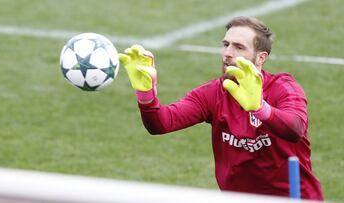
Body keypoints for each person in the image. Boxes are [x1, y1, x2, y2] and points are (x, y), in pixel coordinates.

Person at [119, 16, 323, 200]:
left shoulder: (283, 87)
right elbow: (161, 123)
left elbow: (295, 128)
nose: (227, 53)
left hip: (294, 198)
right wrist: (146, 94)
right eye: (225, 44)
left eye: (239, 47)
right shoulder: (213, 93)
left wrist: (261, 108)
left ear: (261, 57)